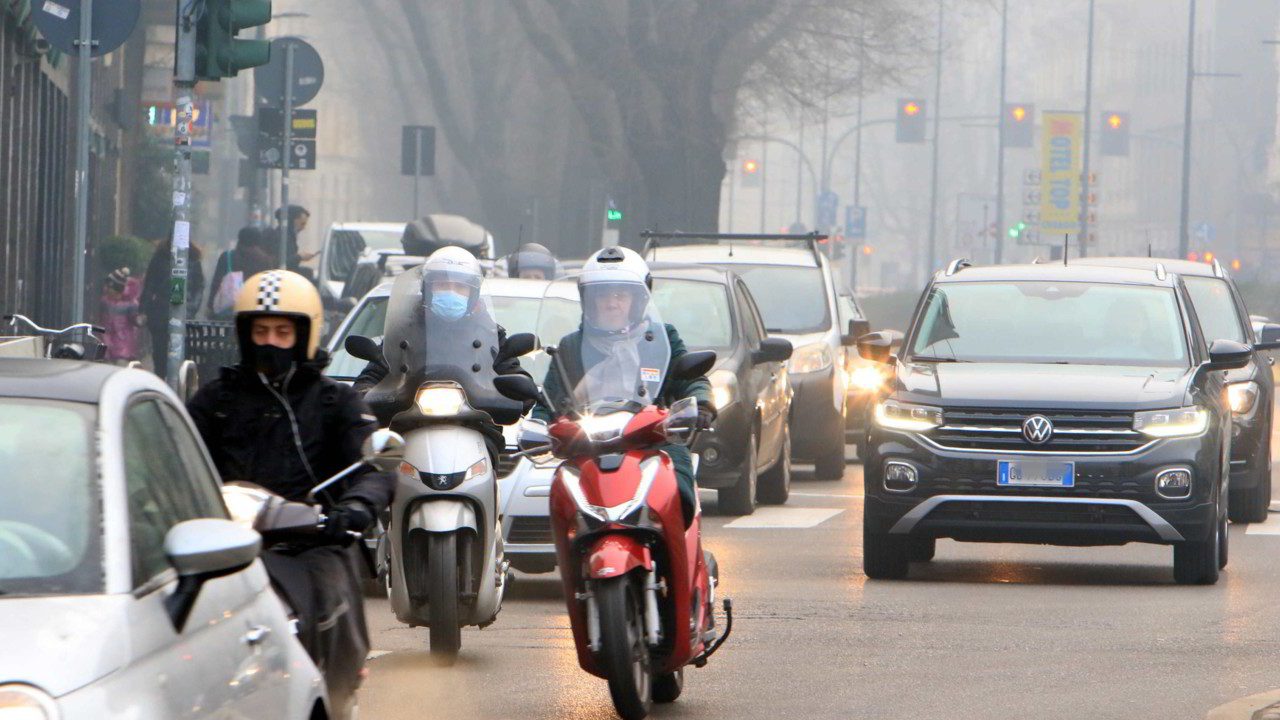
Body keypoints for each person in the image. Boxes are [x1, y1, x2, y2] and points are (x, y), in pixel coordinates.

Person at [186, 269, 392, 707]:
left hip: (312, 538)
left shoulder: (336, 401)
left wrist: (354, 508)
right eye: (260, 331)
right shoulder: (214, 401)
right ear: (244, 334)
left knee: (331, 587)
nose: (270, 342)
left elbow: (375, 468)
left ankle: (338, 691)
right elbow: (175, 462)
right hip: (223, 540)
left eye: (282, 331)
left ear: (305, 334)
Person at [535, 246, 714, 526]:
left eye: (621, 294)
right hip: (587, 443)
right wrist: (536, 426)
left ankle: (680, 562)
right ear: (588, 300)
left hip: (655, 438)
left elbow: (690, 377)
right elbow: (548, 399)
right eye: (603, 295)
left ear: (639, 299)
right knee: (561, 499)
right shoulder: (571, 346)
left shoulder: (662, 337)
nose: (612, 303)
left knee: (678, 492)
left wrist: (701, 403)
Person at [355, 246, 528, 457]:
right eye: (442, 285)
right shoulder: (403, 332)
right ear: (427, 289)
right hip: (409, 428)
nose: (451, 292)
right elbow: (373, 375)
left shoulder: (491, 334)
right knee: (379, 471)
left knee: (490, 457)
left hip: (476, 430)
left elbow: (514, 375)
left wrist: (517, 391)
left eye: (460, 287)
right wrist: (369, 395)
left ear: (473, 294)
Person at [140, 235, 205, 379]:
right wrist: (143, 309)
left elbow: (198, 287)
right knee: (160, 351)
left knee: (181, 350)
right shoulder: (160, 258)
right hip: (160, 313)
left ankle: (176, 380)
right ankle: (162, 379)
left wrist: (191, 308)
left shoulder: (193, 260)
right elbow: (149, 285)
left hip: (182, 313)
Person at [208, 226, 275, 318]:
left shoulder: (227, 256)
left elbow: (217, 282)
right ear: (258, 241)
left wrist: (210, 306)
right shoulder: (265, 260)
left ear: (239, 239)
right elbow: (268, 285)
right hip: (253, 309)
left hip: (229, 308)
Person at [99, 267, 142, 362]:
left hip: (123, 344)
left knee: (120, 364)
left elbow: (134, 320)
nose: (106, 289)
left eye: (110, 287)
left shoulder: (130, 304)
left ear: (117, 289)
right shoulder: (105, 301)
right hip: (107, 341)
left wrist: (138, 319)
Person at [274, 205, 317, 276]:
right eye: (302, 224)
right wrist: (300, 257)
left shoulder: (289, 237)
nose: (303, 228)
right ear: (292, 221)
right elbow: (281, 263)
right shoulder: (280, 238)